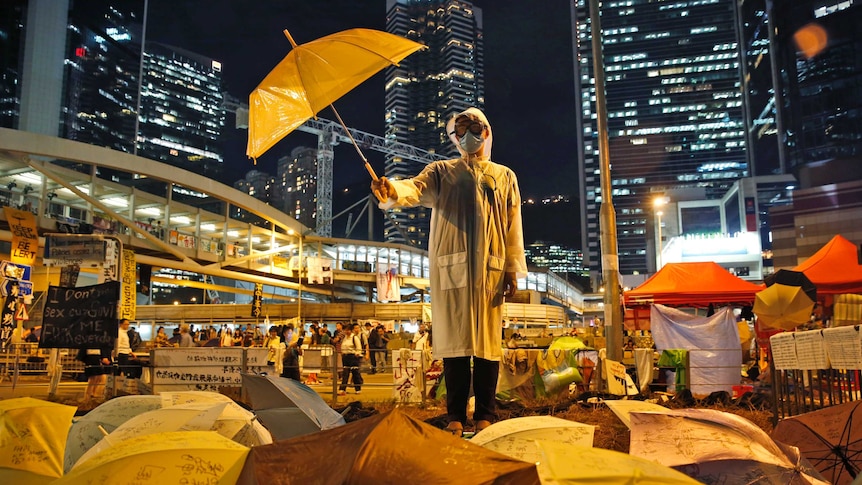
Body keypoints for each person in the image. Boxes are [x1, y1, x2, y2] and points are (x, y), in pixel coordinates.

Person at [371, 107, 527, 437]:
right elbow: (413, 188)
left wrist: (513, 269)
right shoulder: (442, 171)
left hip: (491, 270)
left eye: (474, 127)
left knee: (487, 345)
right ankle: (455, 414)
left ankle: (486, 412)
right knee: (455, 345)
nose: (468, 134)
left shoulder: (505, 176)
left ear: (486, 131)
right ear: (453, 138)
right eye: (461, 130)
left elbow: (514, 226)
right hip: (451, 268)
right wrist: (391, 191)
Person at [338, 323, 368, 395]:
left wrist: (358, 353)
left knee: (355, 373)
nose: (346, 331)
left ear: (351, 330)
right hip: (346, 357)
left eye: (348, 330)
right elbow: (343, 346)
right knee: (345, 373)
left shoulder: (354, 337)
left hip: (353, 357)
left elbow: (359, 347)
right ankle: (342, 389)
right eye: (345, 330)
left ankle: (358, 389)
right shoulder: (345, 338)